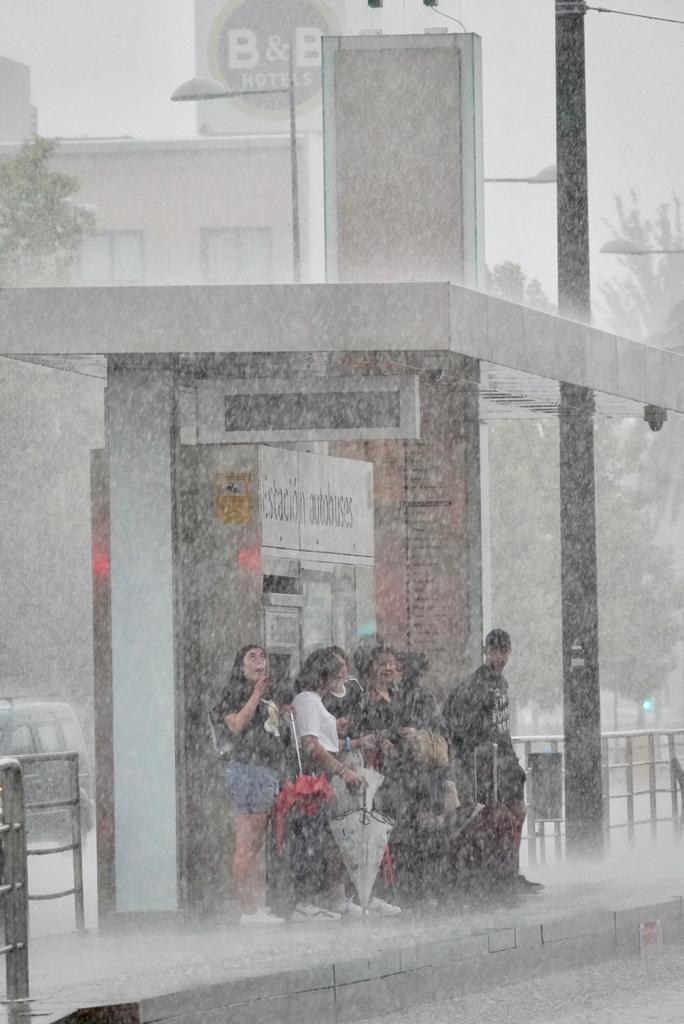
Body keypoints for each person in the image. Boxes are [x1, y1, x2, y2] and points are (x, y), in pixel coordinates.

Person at [442, 628, 543, 897]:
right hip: (486, 763)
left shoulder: (502, 683)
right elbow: (463, 725)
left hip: (505, 760)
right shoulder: (476, 685)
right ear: (486, 650)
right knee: (498, 815)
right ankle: (500, 872)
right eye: (495, 650)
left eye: (504, 651)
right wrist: (471, 755)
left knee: (518, 811)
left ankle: (511, 869)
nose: (499, 657)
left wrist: (510, 757)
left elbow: (501, 726)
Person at [291, 647, 367, 921]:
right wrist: (342, 770)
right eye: (338, 674)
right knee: (314, 839)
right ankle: (306, 900)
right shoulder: (309, 700)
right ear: (326, 675)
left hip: (320, 780)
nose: (342, 681)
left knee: (326, 839)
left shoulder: (312, 700)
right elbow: (311, 745)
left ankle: (330, 897)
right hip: (314, 781)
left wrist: (334, 729)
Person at [218, 644, 285, 926]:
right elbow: (236, 724)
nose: (260, 661)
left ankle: (256, 905)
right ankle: (247, 909)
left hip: (265, 770)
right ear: (241, 666)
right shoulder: (235, 693)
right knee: (246, 841)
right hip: (248, 770)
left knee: (257, 843)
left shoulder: (269, 696)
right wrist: (256, 695)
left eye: (263, 656)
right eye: (252, 657)